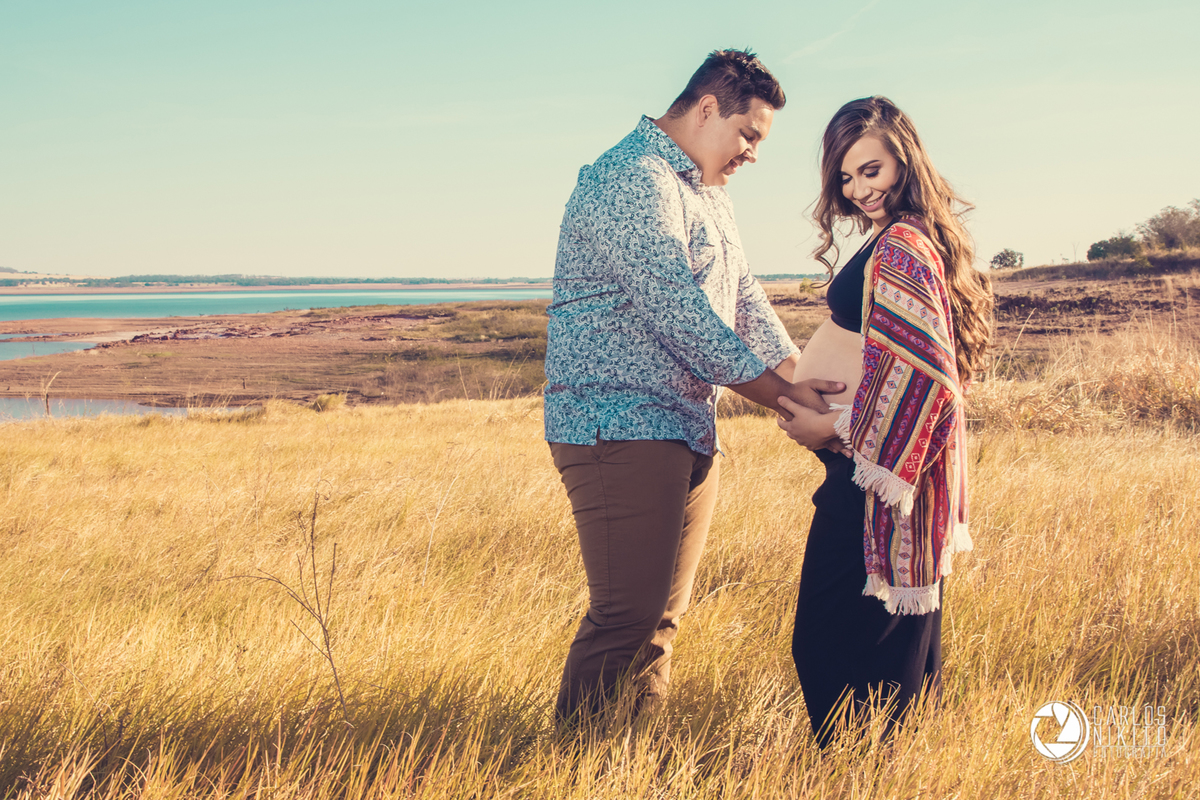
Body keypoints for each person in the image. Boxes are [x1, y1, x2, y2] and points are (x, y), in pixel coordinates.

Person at [544, 49, 844, 726]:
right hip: (618, 425)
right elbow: (683, 316)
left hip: (684, 424)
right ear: (708, 107)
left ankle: (631, 761)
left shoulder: (707, 194)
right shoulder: (629, 177)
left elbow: (744, 302)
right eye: (749, 134)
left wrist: (805, 378)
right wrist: (791, 403)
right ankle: (571, 766)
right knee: (625, 617)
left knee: (661, 621)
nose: (752, 154)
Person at [776, 96, 993, 747]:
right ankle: (876, 769)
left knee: (829, 647)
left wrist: (833, 432)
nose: (858, 189)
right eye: (845, 177)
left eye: (870, 170)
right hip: (877, 476)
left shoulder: (903, 245)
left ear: (904, 157)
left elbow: (928, 381)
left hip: (872, 479)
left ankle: (857, 770)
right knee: (884, 651)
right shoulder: (913, 236)